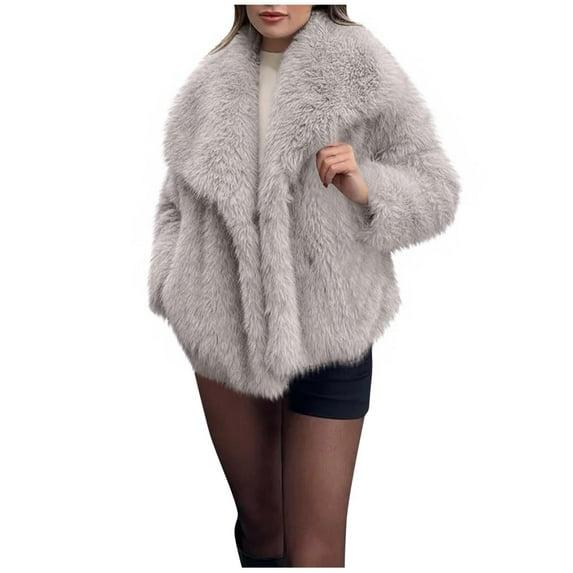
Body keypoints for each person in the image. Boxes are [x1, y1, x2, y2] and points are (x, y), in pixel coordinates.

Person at [147, 4, 461, 567]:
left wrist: (367, 185)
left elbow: (437, 188)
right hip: (225, 332)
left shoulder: (361, 66)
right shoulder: (209, 82)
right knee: (263, 530)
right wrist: (172, 285)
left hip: (333, 331)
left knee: (315, 549)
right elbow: (177, 201)